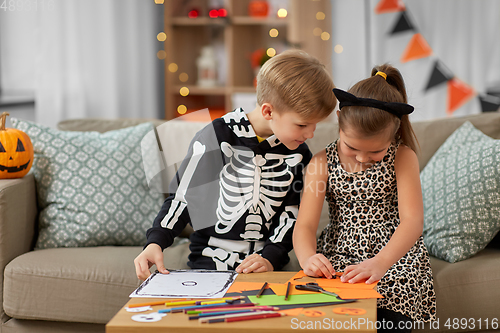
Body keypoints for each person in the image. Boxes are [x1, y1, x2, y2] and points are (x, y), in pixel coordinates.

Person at [134, 49, 337, 280]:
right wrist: (156, 242)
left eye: (316, 125)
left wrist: (270, 258)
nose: (310, 133)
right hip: (209, 262)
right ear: (268, 111)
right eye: (302, 125)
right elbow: (182, 199)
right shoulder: (215, 136)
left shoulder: (298, 152)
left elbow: (291, 214)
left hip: (268, 266)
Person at [293, 64, 436, 331]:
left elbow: (412, 221)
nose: (361, 158)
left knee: (390, 311)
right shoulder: (320, 163)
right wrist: (307, 258)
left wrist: (381, 263)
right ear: (338, 120)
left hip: (394, 255)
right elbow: (305, 225)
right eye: (351, 147)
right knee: (326, 310)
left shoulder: (403, 157)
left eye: (375, 152)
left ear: (394, 133)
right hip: (340, 252)